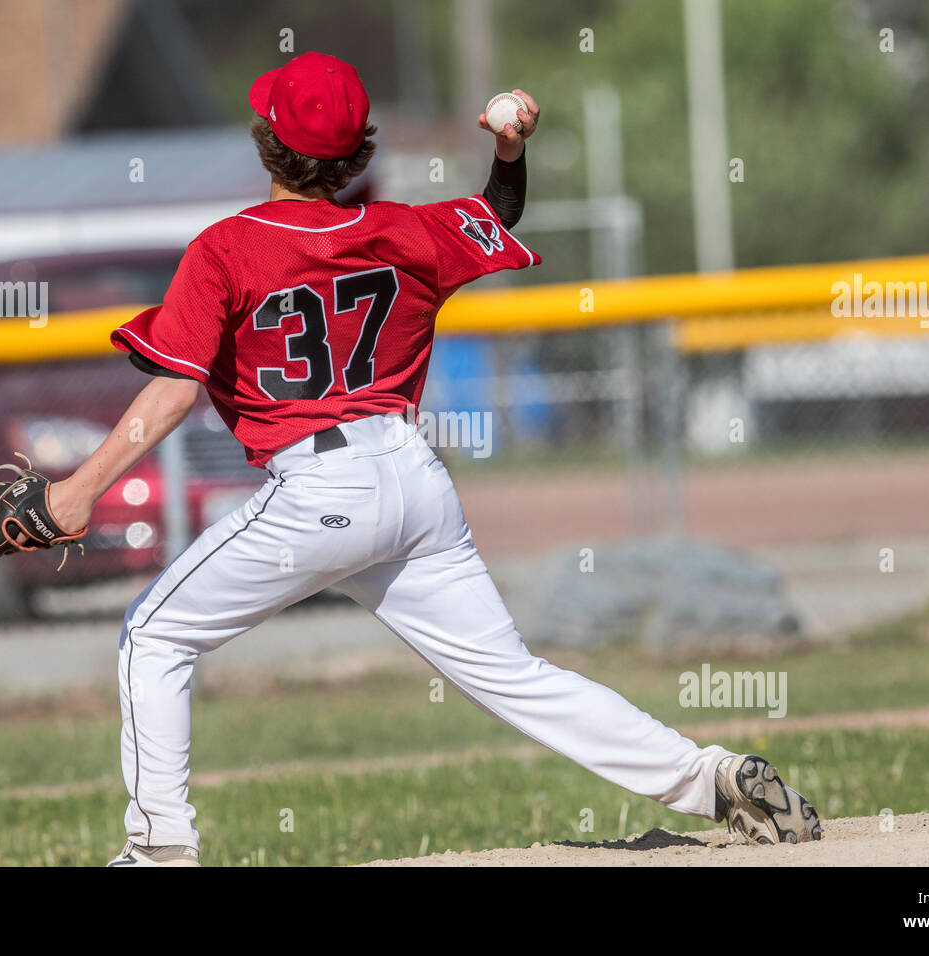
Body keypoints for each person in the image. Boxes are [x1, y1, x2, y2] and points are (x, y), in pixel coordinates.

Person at [41, 51, 821, 866]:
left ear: (266, 139)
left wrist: (79, 491)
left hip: (317, 489)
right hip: (416, 485)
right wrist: (509, 147)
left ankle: (160, 847)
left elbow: (174, 391)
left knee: (154, 636)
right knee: (513, 675)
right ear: (357, 151)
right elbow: (500, 211)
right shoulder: (408, 230)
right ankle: (710, 779)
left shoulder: (228, 248)